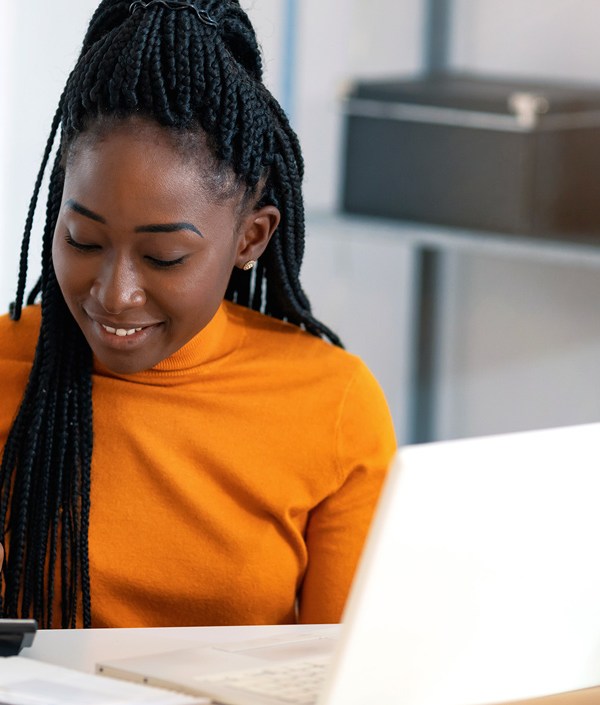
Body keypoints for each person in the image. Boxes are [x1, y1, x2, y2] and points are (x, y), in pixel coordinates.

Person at [0, 0, 396, 629]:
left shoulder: (332, 406)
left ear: (250, 240)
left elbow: (350, 677)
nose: (115, 294)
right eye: (83, 241)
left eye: (164, 256)